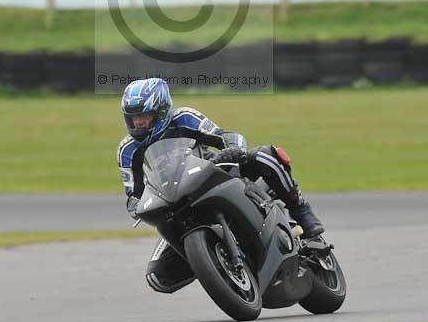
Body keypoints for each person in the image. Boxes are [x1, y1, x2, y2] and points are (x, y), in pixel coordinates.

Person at [117, 77, 324, 294]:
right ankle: (213, 261)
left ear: (162, 110)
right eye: (133, 118)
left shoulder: (184, 117)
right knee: (158, 277)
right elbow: (133, 192)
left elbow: (223, 136)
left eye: (144, 116)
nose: (138, 123)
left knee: (265, 156)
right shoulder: (127, 150)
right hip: (172, 203)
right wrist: (135, 206)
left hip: (209, 174)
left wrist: (233, 148)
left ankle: (301, 211)